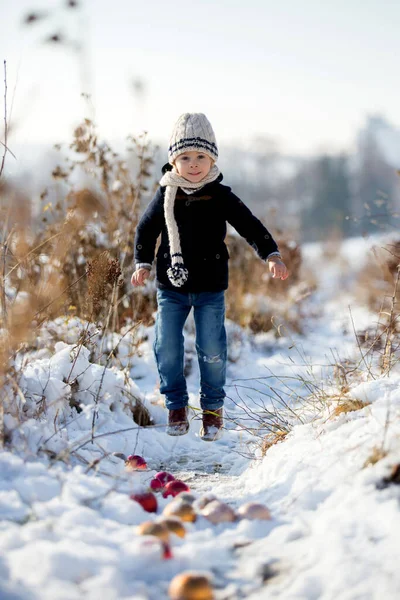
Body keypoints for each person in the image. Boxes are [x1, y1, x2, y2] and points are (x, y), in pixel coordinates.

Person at [131, 113, 289, 441]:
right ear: (173, 160)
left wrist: (271, 254)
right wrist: (142, 262)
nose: (193, 164)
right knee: (168, 345)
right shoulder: (166, 194)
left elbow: (250, 225)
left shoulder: (220, 196)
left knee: (212, 347)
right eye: (185, 157)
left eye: (200, 156)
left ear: (212, 157)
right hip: (172, 286)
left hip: (210, 287)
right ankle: (175, 405)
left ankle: (213, 410)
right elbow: (146, 229)